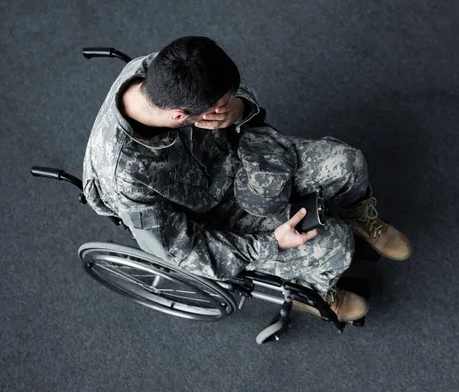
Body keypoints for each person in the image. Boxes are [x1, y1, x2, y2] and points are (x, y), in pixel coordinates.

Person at [83, 36, 412, 322]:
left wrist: (238, 108)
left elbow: (235, 91)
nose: (225, 104)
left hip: (238, 159)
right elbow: (184, 251)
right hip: (211, 217)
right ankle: (313, 292)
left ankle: (359, 215)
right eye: (219, 106)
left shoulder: (166, 70)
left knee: (348, 163)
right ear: (180, 117)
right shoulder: (125, 177)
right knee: (334, 243)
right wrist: (272, 244)